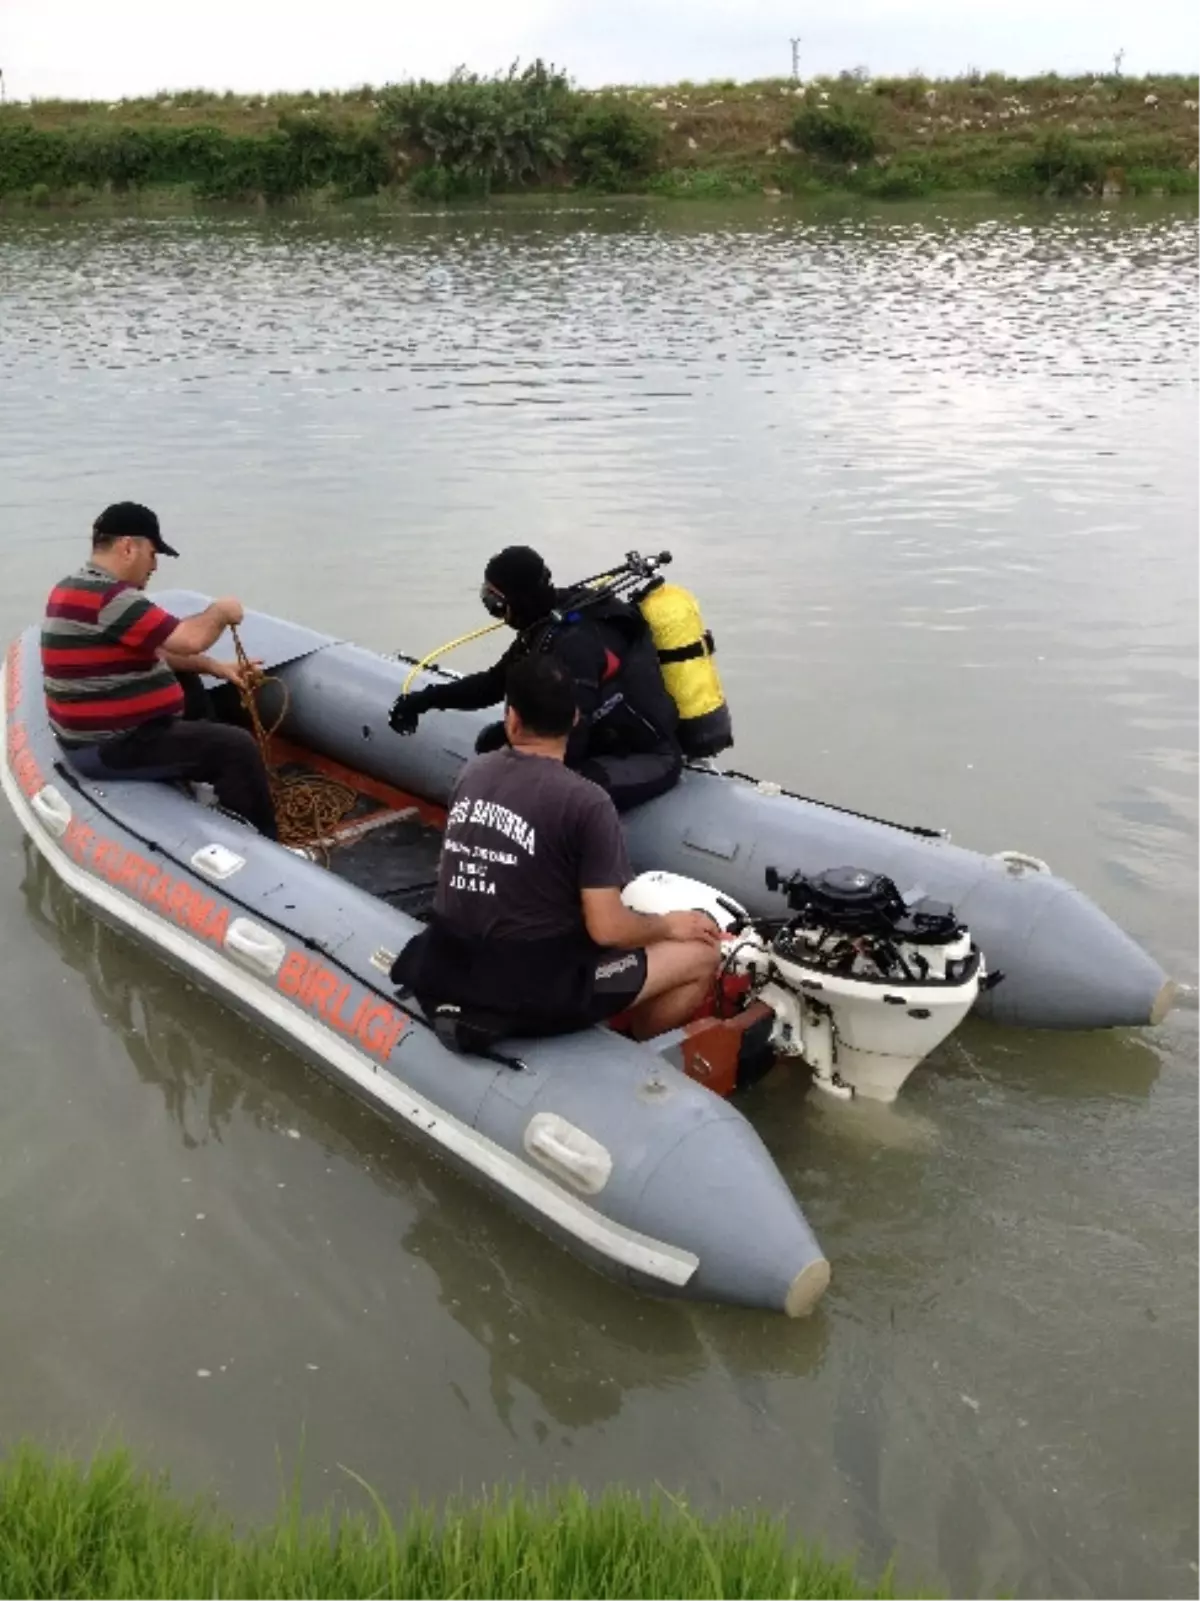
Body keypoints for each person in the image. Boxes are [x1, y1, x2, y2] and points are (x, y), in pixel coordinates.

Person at [391, 653, 721, 1042]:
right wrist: (670, 924)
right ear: (576, 719)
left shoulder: (472, 773)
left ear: (511, 719)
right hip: (533, 992)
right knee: (702, 956)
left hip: (447, 963)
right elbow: (608, 929)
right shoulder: (588, 802)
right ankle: (635, 1057)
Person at [41, 502, 278, 840]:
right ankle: (265, 847)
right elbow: (190, 639)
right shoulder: (112, 598)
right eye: (153, 554)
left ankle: (204, 782)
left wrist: (216, 667)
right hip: (111, 746)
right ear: (128, 547)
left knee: (188, 683)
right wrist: (222, 611)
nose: (154, 566)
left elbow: (161, 649)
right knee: (237, 748)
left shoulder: (73, 587)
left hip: (95, 736)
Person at [389, 545, 683, 812]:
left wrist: (517, 774)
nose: (496, 613)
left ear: (519, 600)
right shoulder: (546, 623)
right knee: (492, 743)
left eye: (496, 602)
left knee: (550, 792)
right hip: (602, 737)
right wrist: (424, 700)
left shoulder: (574, 644)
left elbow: (572, 736)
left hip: (646, 755)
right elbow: (493, 684)